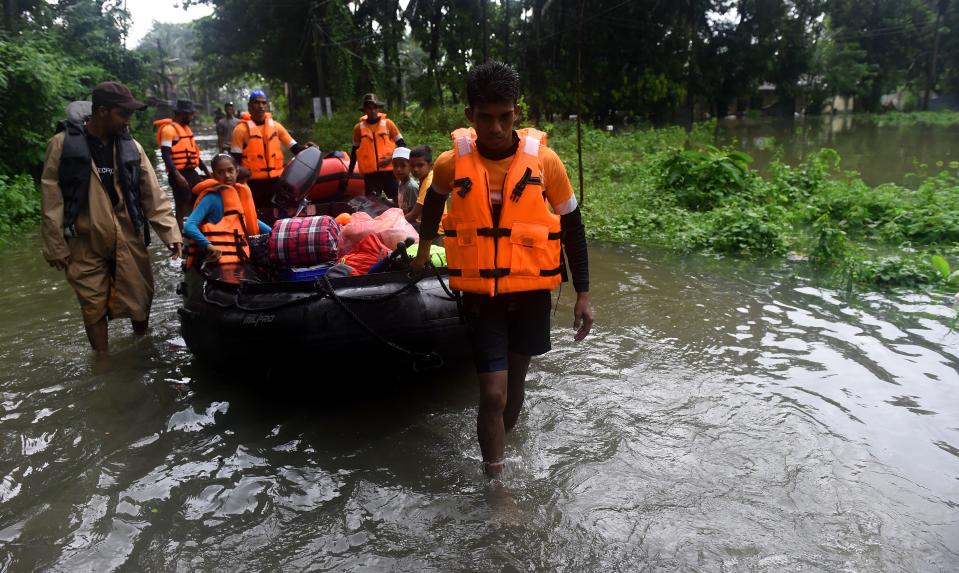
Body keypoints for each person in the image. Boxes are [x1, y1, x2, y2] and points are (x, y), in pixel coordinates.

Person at [411, 62, 594, 479]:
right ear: (469, 116)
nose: (495, 127)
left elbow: (573, 227)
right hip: (479, 295)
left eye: (505, 116)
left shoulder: (546, 162)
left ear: (517, 111)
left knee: (514, 388)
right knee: (492, 393)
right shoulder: (448, 164)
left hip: (530, 291)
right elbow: (435, 202)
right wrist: (424, 248)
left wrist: (583, 294)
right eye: (485, 117)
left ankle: (500, 445)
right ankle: (496, 484)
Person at [40, 81, 183, 354]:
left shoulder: (133, 147)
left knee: (140, 296)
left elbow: (152, 194)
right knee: (92, 304)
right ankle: (103, 363)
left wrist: (170, 233)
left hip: (128, 233)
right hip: (84, 238)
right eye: (123, 114)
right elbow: (51, 199)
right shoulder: (61, 146)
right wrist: (55, 244)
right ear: (102, 111)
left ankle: (142, 348)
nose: (128, 120)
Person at [230, 89, 308, 224]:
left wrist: (309, 149)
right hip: (252, 183)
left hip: (276, 181)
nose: (260, 106)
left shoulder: (276, 127)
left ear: (267, 106)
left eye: (263, 103)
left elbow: (295, 148)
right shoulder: (240, 130)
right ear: (249, 106)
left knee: (277, 213)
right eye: (256, 103)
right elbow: (234, 161)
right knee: (256, 215)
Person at [183, 154, 270, 267]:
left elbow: (247, 219)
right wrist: (208, 245)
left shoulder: (238, 193)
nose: (227, 175)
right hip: (217, 257)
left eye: (230, 170)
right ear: (214, 175)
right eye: (221, 172)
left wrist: (273, 233)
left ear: (237, 171)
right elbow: (189, 226)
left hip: (241, 252)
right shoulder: (211, 198)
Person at [157, 99, 210, 231]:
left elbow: (195, 154)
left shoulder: (186, 129)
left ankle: (196, 231)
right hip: (178, 173)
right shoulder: (169, 130)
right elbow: (165, 154)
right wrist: (177, 175)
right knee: (181, 205)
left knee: (198, 201)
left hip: (191, 172)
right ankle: (180, 235)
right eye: (191, 114)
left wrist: (208, 174)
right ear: (182, 113)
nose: (192, 117)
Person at [351, 93, 406, 201]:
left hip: (389, 172)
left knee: (398, 200)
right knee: (372, 204)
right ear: (364, 110)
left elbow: (402, 145)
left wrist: (391, 159)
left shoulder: (388, 124)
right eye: (369, 108)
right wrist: (350, 171)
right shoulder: (358, 128)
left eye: (375, 107)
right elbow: (354, 150)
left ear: (378, 108)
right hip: (370, 175)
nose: (372, 111)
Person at [404, 145, 438, 230]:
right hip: (427, 224)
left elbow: (413, 215)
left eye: (420, 165)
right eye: (412, 166)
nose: (415, 169)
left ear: (431, 165)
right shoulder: (427, 178)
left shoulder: (428, 183)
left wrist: (393, 223)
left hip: (434, 229)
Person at [391, 147, 419, 213]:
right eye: (395, 166)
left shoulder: (411, 187)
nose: (398, 169)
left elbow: (414, 214)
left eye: (403, 166)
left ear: (410, 167)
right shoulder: (401, 183)